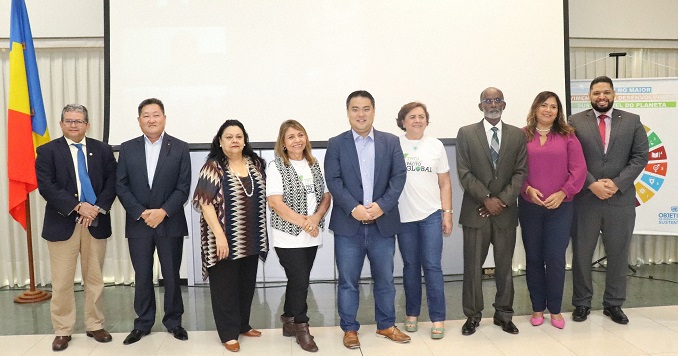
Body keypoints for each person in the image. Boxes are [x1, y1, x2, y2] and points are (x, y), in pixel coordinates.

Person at [324, 90, 409, 349]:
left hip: (382, 225)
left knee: (385, 279)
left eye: (366, 109)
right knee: (349, 281)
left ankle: (386, 325)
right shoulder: (336, 143)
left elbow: (399, 177)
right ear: (347, 112)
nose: (360, 114)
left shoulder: (391, 141)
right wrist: (353, 208)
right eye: (355, 109)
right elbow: (334, 180)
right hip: (349, 226)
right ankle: (350, 328)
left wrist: (382, 206)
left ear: (374, 111)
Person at [35, 104, 117, 351]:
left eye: (79, 121)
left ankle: (94, 325)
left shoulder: (103, 151)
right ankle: (63, 329)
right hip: (63, 223)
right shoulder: (47, 151)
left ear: (87, 125)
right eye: (69, 120)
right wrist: (77, 206)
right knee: (61, 282)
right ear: (61, 124)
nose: (73, 125)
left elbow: (113, 183)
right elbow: (47, 186)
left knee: (95, 279)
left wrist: (96, 208)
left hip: (95, 222)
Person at [569, 76, 649, 325]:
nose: (601, 97)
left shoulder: (632, 121)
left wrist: (616, 183)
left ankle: (613, 304)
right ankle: (582, 303)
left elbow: (640, 156)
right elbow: (572, 158)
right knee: (582, 253)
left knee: (618, 253)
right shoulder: (575, 121)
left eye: (605, 92)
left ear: (614, 94)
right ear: (589, 96)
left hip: (620, 198)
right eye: (596, 93)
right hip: (586, 198)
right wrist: (592, 183)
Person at [116, 98, 191, 344]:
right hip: (138, 223)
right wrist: (140, 212)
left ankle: (174, 322)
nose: (151, 119)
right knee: (143, 275)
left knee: (171, 274)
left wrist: (162, 211)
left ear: (164, 118)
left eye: (156, 114)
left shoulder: (180, 147)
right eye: (146, 115)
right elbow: (121, 185)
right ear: (139, 121)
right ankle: (143, 323)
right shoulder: (127, 148)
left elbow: (183, 187)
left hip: (169, 222)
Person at [456, 87, 527, 336]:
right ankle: (473, 316)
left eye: (497, 100)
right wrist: (486, 198)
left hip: (505, 212)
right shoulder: (466, 133)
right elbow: (464, 172)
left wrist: (502, 201)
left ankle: (504, 314)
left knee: (505, 266)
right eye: (488, 100)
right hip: (476, 211)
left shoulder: (518, 135)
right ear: (481, 106)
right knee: (473, 267)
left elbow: (520, 173)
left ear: (504, 105)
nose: (493, 104)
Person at [193, 119, 268, 352]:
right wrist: (220, 236)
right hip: (222, 238)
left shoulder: (255, 163)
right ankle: (228, 333)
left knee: (246, 285)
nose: (234, 140)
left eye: (238, 136)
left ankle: (243, 324)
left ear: (244, 140)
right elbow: (204, 204)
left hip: (252, 236)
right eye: (229, 137)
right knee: (225, 288)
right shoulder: (213, 166)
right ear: (220, 141)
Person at [518, 92, 587, 329]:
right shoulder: (522, 135)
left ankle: (556, 310)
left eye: (554, 107)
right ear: (535, 108)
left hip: (561, 208)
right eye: (544, 105)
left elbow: (579, 170)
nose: (548, 110)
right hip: (530, 208)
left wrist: (563, 193)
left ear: (558, 112)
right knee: (534, 258)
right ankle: (538, 308)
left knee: (556, 259)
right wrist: (527, 190)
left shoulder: (568, 136)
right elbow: (515, 171)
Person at [266, 119, 331, 352]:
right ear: (283, 143)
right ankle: (302, 327)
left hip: (312, 233)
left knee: (297, 280)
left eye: (300, 135)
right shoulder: (276, 167)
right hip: (288, 235)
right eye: (291, 137)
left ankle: (288, 318)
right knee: (301, 280)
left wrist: (315, 219)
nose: (297, 140)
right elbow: (275, 202)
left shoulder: (315, 164)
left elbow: (325, 196)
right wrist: (306, 222)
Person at [395, 102, 452, 339]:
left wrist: (447, 213)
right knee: (410, 267)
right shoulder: (395, 145)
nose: (417, 120)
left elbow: (445, 182)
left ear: (426, 120)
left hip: (430, 215)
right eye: (412, 116)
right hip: (403, 216)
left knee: (432, 266)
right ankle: (411, 314)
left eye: (421, 116)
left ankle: (437, 318)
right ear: (403, 121)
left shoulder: (436, 145)